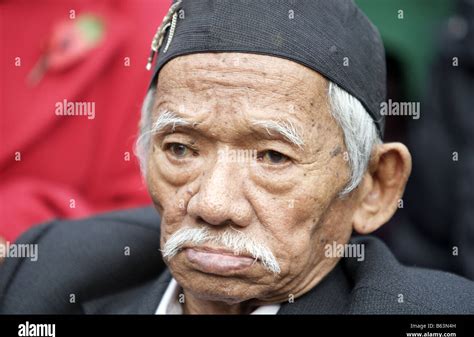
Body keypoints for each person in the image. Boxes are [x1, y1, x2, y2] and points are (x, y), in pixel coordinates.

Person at [0, 0, 473, 314]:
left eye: (272, 156)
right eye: (181, 149)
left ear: (375, 187)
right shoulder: (44, 274)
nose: (214, 204)